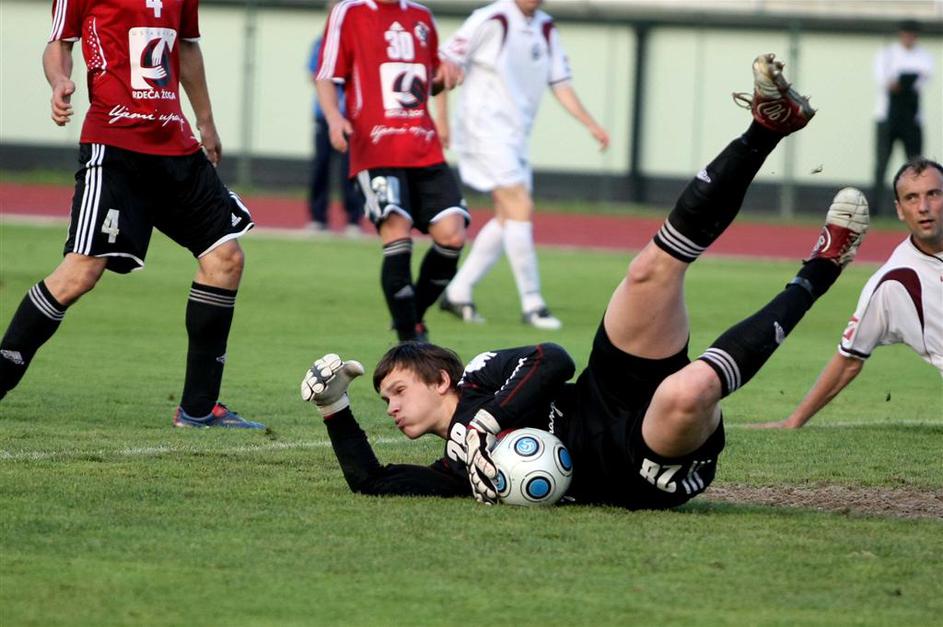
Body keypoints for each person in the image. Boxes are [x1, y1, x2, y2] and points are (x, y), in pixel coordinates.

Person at [300, 54, 871, 507]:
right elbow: (372, 481)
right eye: (386, 399)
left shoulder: (481, 376)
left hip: (605, 393)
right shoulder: (457, 469)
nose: (391, 407)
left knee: (648, 271)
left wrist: (488, 422)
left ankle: (766, 127)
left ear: (442, 380)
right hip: (637, 467)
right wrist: (334, 407)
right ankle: (820, 270)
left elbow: (553, 360)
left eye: (399, 391)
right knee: (688, 390)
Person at [0, 0, 263, 428]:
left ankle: (198, 409)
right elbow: (59, 42)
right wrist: (60, 81)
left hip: (175, 145)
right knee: (80, 273)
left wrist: (206, 121)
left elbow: (187, 47)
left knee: (225, 259)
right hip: (115, 147)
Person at [435, 0, 610, 330]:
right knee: (520, 206)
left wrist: (590, 124)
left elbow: (560, 83)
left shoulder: (546, 27)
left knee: (509, 217)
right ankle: (533, 304)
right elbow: (442, 64)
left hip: (516, 137)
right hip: (483, 130)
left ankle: (458, 292)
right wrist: (441, 121)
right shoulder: (492, 18)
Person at [315, 0, 468, 342]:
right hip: (376, 148)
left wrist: (445, 76)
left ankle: (412, 317)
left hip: (424, 147)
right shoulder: (350, 12)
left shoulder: (421, 16)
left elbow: (430, 80)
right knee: (398, 232)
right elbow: (326, 75)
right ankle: (409, 339)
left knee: (453, 235)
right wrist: (334, 119)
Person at [754, 157, 942, 430]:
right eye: (911, 198)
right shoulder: (894, 283)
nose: (923, 207)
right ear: (900, 210)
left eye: (933, 194)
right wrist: (794, 421)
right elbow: (849, 360)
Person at [306, 14, 364, 237]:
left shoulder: (358, 43)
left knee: (351, 169)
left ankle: (353, 219)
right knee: (321, 166)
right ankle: (318, 218)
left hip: (352, 118)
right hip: (324, 117)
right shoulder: (320, 44)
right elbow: (316, 75)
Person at [871, 20, 934, 216]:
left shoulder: (924, 56)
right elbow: (885, 81)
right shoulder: (887, 55)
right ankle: (875, 207)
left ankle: (917, 207)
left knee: (915, 165)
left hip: (912, 118)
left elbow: (923, 80)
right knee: (882, 164)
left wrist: (904, 82)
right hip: (887, 117)